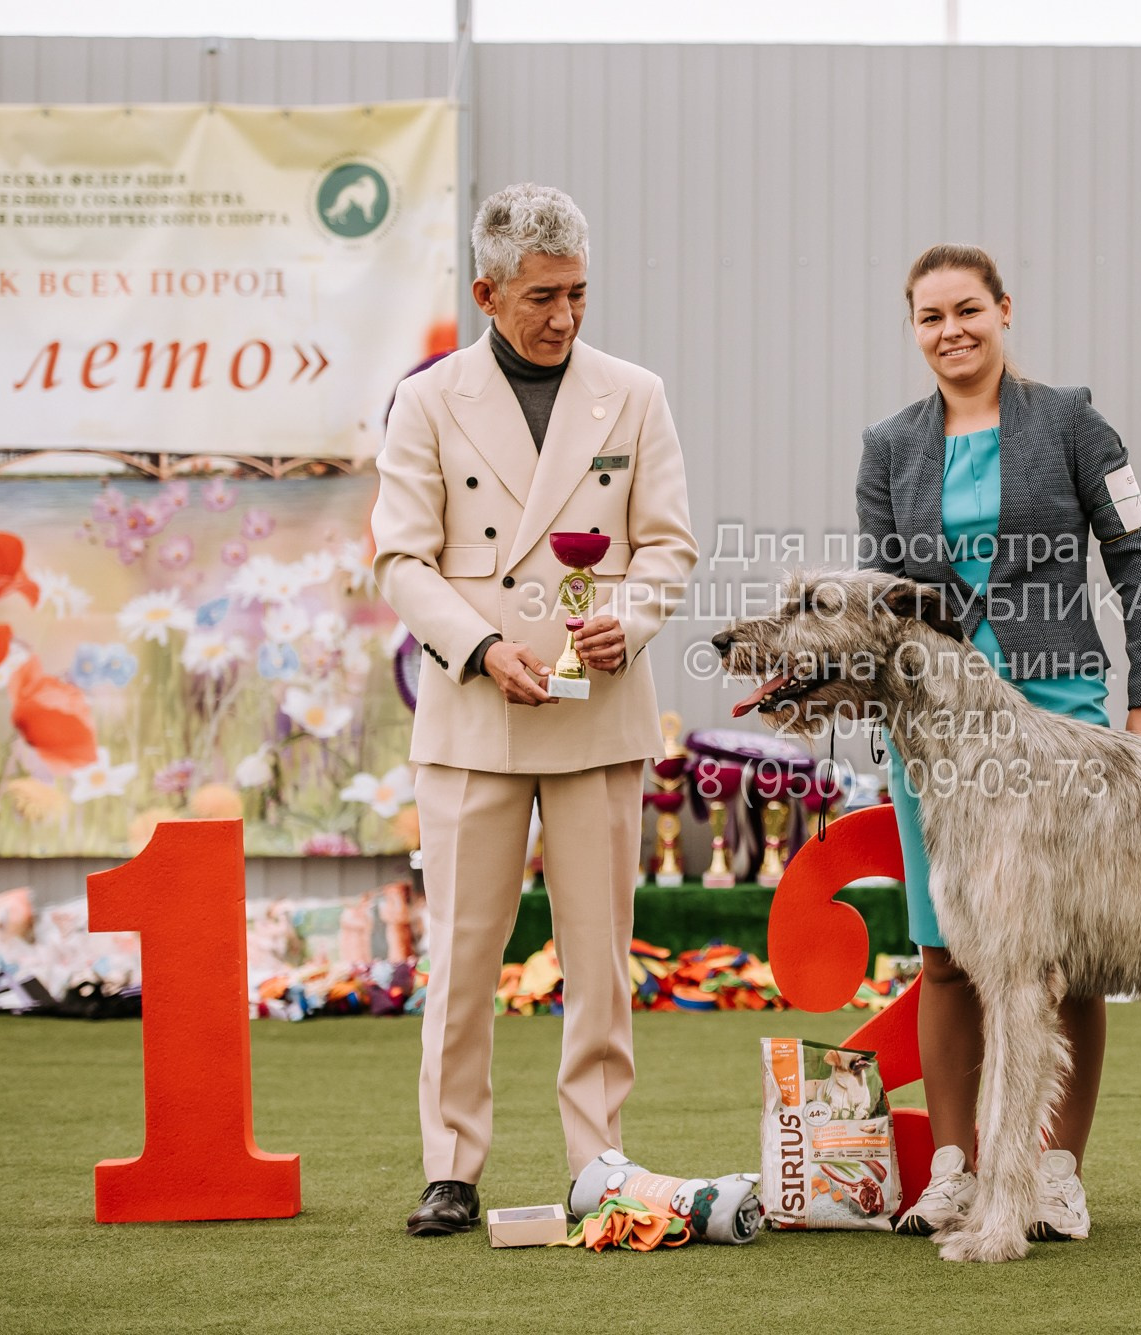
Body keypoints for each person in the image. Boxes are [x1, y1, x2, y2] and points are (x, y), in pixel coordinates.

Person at [372, 183, 697, 1236]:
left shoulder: (635, 394)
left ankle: (598, 1161)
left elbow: (668, 546)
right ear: (486, 293)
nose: (564, 317)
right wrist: (478, 648)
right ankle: (450, 1167)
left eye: (578, 294)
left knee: (598, 957)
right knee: (464, 955)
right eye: (541, 297)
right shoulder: (427, 402)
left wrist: (627, 621)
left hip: (598, 713)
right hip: (473, 717)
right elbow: (400, 559)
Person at [855, 243, 1141, 1241]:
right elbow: (881, 602)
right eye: (930, 317)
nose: (950, 331)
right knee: (946, 952)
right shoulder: (888, 448)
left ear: (1004, 309)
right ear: (913, 329)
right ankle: (953, 1170)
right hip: (936, 734)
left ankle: (1054, 1173)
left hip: (1060, 712)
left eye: (967, 309)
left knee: (1067, 951)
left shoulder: (1074, 422)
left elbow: (1135, 555)